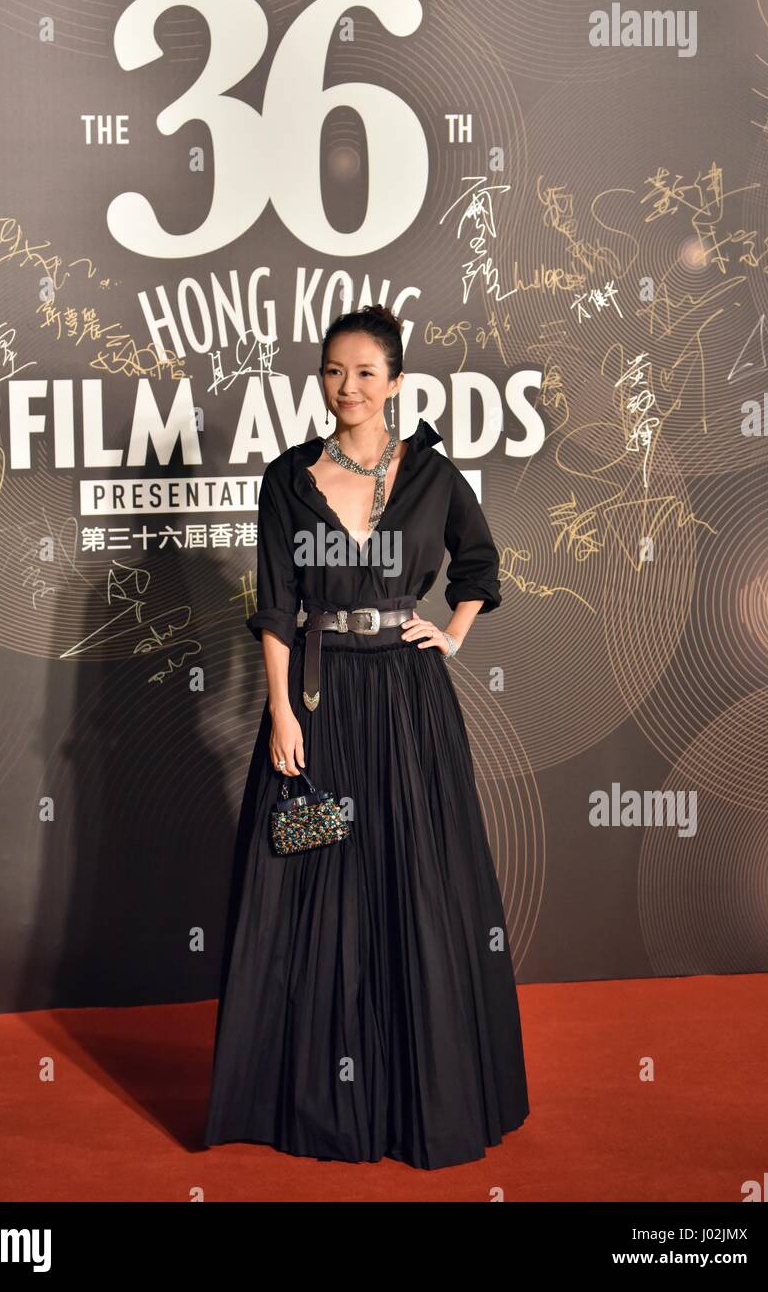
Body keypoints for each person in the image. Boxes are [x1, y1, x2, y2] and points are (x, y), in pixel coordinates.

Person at [203, 303, 529, 1169]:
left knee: (411, 878)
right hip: (317, 700)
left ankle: (421, 1098)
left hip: (408, 700)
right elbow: (274, 606)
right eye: (332, 372)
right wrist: (279, 711)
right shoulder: (287, 479)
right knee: (313, 878)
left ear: (394, 381)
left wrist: (451, 633)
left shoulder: (428, 473)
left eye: (365, 373)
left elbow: (478, 566)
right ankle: (312, 1102)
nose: (347, 388)